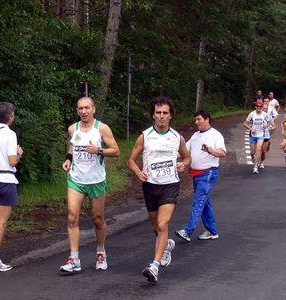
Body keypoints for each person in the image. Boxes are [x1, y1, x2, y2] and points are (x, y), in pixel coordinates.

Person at [127, 96, 191, 283]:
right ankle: (167, 245)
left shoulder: (177, 137)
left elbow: (187, 157)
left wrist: (183, 164)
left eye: (165, 113)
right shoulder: (145, 136)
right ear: (153, 115)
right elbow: (130, 160)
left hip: (170, 185)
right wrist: (139, 173)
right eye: (158, 113)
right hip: (150, 186)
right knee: (156, 227)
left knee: (163, 225)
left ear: (170, 116)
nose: (161, 116)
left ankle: (154, 267)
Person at [60, 97, 120, 273]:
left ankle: (100, 251)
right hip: (76, 179)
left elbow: (116, 150)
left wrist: (98, 150)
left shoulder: (101, 128)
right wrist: (68, 159)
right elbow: (72, 146)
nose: (84, 111)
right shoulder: (73, 128)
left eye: (87, 108)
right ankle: (74, 258)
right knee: (72, 216)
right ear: (77, 110)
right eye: (80, 108)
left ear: (93, 109)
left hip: (96, 180)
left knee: (97, 219)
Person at [175, 110, 226, 243]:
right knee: (204, 201)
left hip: (208, 173)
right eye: (195, 119)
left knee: (198, 201)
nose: (196, 122)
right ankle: (212, 231)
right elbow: (183, 152)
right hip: (196, 174)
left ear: (207, 119)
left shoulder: (215, 135)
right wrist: (165, 155)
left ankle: (188, 231)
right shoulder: (196, 135)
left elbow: (222, 152)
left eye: (199, 119)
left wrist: (210, 150)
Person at [0, 102, 23, 273]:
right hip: (5, 179)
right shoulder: (10, 135)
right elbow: (12, 161)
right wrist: (19, 153)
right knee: (1, 222)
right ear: (10, 118)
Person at [243, 100, 271, 174]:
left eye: (260, 106)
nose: (259, 108)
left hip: (261, 134)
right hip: (253, 135)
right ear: (255, 107)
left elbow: (269, 122)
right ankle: (252, 156)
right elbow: (245, 123)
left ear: (262, 107)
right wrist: (251, 129)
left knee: (259, 148)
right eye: (257, 106)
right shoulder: (252, 114)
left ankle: (255, 167)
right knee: (253, 151)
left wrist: (266, 125)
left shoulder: (265, 115)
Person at [260, 103, 276, 169]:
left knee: (263, 151)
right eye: (264, 108)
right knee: (257, 149)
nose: (265, 110)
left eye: (266, 108)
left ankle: (262, 162)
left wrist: (271, 128)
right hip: (258, 135)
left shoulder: (269, 117)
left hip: (266, 135)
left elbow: (275, 126)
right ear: (261, 108)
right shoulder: (257, 115)